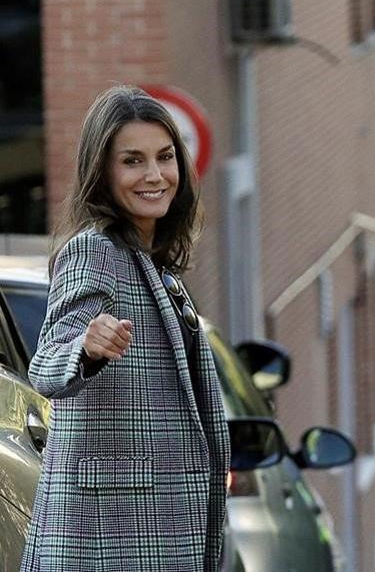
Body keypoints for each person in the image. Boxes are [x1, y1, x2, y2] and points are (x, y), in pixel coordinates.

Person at [21, 85, 230, 571]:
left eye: (165, 157)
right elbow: (48, 364)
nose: (155, 175)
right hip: (110, 536)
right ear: (103, 172)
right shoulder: (94, 251)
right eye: (132, 161)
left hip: (155, 526)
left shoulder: (154, 265)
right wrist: (85, 348)